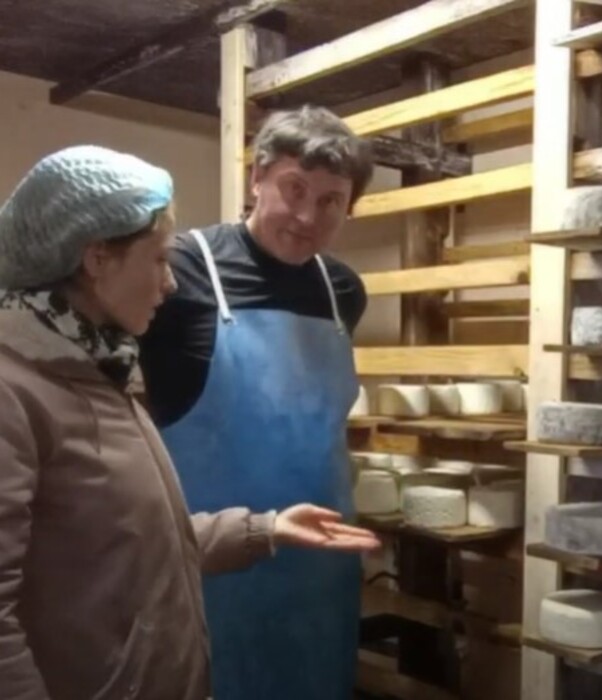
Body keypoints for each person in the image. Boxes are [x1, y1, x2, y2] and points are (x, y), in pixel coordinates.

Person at [0, 145, 380, 700]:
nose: (173, 283)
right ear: (96, 257)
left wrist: (266, 529)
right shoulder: (15, 392)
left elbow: (138, 541)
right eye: (159, 260)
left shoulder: (103, 373)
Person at [138, 106, 375, 699]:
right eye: (294, 189)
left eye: (331, 201)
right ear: (257, 177)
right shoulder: (182, 271)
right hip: (209, 562)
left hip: (319, 564)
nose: (306, 216)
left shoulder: (341, 290)